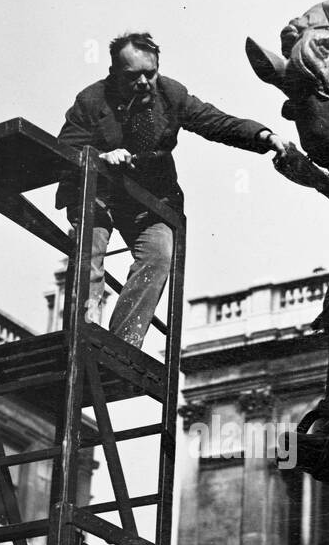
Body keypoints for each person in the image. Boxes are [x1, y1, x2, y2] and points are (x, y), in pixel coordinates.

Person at [57, 31, 288, 347]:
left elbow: (215, 122)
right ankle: (82, 334)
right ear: (114, 74)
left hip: (148, 200)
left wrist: (263, 136)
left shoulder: (171, 94)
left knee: (159, 254)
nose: (143, 83)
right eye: (132, 76)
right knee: (89, 248)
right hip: (98, 191)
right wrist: (100, 157)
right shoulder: (91, 100)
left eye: (149, 74)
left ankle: (123, 343)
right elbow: (64, 148)